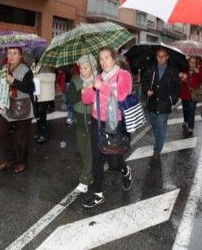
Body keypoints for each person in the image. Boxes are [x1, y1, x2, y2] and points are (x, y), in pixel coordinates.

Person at [81, 47, 133, 208]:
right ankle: (98, 194)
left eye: (107, 58)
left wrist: (101, 86)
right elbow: (86, 100)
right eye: (101, 59)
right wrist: (87, 90)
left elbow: (123, 94)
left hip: (114, 124)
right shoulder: (98, 77)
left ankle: (124, 170)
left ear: (114, 59)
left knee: (114, 162)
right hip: (97, 122)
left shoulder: (123, 75)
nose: (104, 62)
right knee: (97, 159)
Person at [0, 47, 35, 174]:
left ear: (20, 55)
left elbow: (30, 88)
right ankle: (10, 158)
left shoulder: (25, 70)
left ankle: (22, 162)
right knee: (1, 132)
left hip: (22, 107)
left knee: (21, 139)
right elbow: (2, 87)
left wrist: (14, 81)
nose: (11, 56)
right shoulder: (3, 69)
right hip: (7, 106)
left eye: (14, 53)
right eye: (9, 53)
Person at [141, 47, 181, 158]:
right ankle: (158, 142)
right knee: (154, 125)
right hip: (152, 103)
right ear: (156, 57)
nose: (161, 58)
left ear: (167, 57)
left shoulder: (173, 71)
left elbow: (177, 88)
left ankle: (157, 149)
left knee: (161, 126)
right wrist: (146, 90)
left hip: (164, 104)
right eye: (159, 56)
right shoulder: (150, 69)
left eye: (163, 56)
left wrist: (172, 99)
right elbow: (144, 81)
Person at [66, 54, 97, 193]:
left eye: (86, 67)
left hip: (93, 121)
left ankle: (84, 179)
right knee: (83, 151)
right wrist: (82, 91)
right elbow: (70, 98)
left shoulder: (98, 81)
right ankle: (90, 172)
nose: (83, 71)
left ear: (93, 67)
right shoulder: (75, 80)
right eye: (81, 68)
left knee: (90, 151)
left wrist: (94, 89)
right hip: (79, 123)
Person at [179, 56, 202, 135]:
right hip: (184, 94)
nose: (192, 64)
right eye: (190, 62)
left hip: (193, 95)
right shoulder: (184, 70)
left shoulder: (198, 70)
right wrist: (182, 79)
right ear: (188, 62)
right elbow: (179, 81)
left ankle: (190, 127)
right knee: (185, 109)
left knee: (191, 111)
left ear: (196, 63)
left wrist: (199, 73)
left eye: (193, 62)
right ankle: (185, 120)